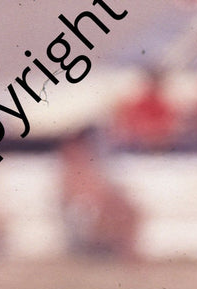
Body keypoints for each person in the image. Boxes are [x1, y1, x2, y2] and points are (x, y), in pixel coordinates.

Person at [58, 129, 140, 260]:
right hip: (89, 211)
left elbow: (105, 189)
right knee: (111, 210)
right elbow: (73, 197)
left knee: (124, 208)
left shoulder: (91, 168)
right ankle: (121, 251)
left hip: (103, 207)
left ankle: (125, 251)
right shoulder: (69, 172)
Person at [112, 67, 179, 152]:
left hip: (159, 145)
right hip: (139, 145)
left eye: (157, 83)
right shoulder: (139, 104)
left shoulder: (166, 105)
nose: (155, 87)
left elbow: (171, 126)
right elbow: (129, 124)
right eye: (153, 83)